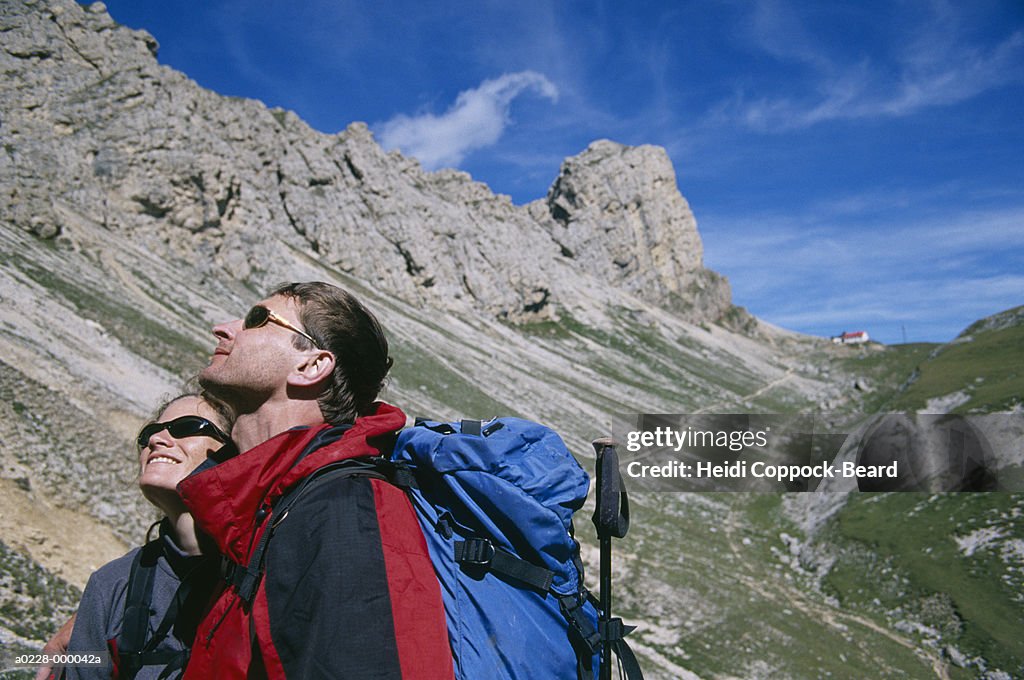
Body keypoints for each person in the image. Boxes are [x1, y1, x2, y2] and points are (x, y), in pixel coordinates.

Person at [178, 282, 454, 680]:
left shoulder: (345, 508)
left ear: (311, 366)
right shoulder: (275, 501)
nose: (222, 328)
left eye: (257, 320)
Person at [59, 393, 234, 680]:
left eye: (188, 426)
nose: (156, 440)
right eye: (150, 432)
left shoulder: (266, 569)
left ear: (235, 451)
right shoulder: (113, 585)